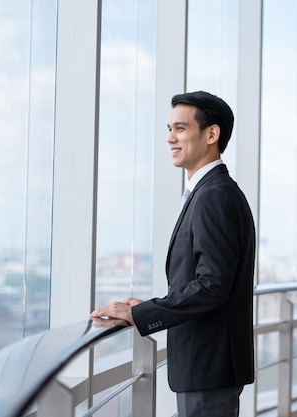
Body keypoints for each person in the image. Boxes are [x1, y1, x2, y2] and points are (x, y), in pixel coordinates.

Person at [89, 91, 256, 417]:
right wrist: (145, 306)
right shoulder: (212, 192)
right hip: (209, 365)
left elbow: (212, 287)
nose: (170, 138)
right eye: (169, 129)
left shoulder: (215, 197)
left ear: (211, 134)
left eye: (180, 128)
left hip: (208, 366)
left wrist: (142, 314)